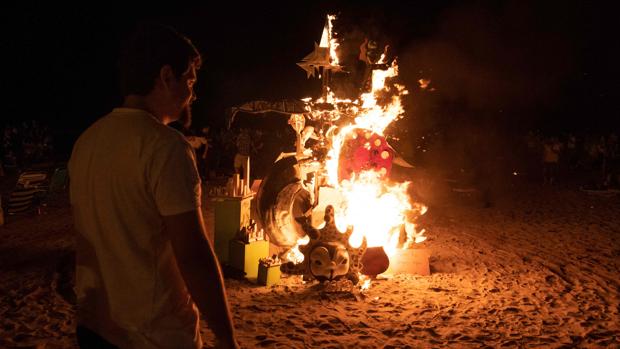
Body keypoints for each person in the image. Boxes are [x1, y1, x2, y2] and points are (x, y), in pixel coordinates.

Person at [68, 23, 238, 349]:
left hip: (94, 328)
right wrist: (226, 336)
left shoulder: (86, 141)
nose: (193, 93)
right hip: (153, 336)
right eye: (189, 79)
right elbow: (193, 255)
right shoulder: (165, 147)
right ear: (165, 77)